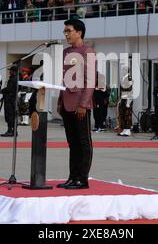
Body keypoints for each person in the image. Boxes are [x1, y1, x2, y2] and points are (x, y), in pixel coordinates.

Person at [57, 19, 96, 189]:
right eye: (64, 31)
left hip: (80, 104)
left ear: (79, 32)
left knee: (83, 142)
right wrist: (60, 101)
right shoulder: (66, 52)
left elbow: (90, 81)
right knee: (72, 143)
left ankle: (82, 178)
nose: (66, 34)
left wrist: (84, 104)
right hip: (67, 103)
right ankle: (72, 177)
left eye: (68, 31)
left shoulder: (87, 51)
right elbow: (64, 80)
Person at [0, 66, 18, 137]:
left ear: (13, 71)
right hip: (12, 99)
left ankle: (10, 130)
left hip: (10, 100)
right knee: (13, 115)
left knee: (10, 115)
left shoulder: (13, 79)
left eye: (10, 70)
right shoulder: (16, 78)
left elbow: (9, 89)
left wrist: (1, 91)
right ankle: (14, 130)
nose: (9, 72)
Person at [117, 66, 133, 137]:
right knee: (122, 114)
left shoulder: (129, 78)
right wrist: (120, 99)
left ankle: (128, 129)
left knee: (127, 114)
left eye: (124, 70)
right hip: (123, 98)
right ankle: (124, 129)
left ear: (127, 71)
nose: (122, 71)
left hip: (127, 98)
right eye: (122, 70)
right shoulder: (123, 78)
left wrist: (129, 101)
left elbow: (130, 89)